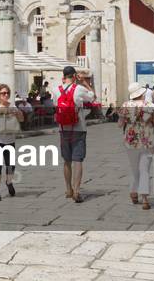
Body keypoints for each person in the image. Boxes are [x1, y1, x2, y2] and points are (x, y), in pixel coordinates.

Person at [54, 65, 95, 203]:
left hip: (63, 129)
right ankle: (77, 190)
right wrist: (85, 83)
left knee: (66, 160)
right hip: (78, 128)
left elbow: (56, 106)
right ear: (74, 76)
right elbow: (92, 98)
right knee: (77, 160)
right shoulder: (79, 89)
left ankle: (68, 189)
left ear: (64, 76)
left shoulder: (56, 90)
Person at [118, 82, 154, 210]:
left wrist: (128, 120)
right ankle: (145, 199)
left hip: (131, 142)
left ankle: (134, 191)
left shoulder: (125, 105)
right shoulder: (150, 106)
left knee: (136, 169)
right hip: (148, 142)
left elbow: (120, 124)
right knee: (145, 169)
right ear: (142, 93)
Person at [0, 83, 24, 199]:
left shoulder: (11, 105)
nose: (6, 95)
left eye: (7, 93)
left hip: (9, 139)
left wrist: (18, 113)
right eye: (3, 93)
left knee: (11, 165)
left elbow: (21, 119)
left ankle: (9, 181)